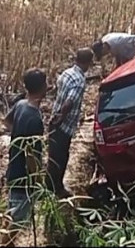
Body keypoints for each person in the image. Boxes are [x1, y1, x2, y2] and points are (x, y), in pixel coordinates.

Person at [46, 48, 94, 198]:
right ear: (89, 62)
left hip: (54, 120)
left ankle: (48, 185)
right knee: (61, 157)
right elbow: (70, 101)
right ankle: (57, 188)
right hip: (64, 125)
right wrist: (62, 116)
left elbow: (59, 92)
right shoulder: (79, 81)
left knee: (53, 156)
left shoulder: (67, 73)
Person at [5, 68, 47, 224]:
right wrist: (38, 182)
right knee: (16, 224)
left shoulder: (21, 105)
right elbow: (31, 156)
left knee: (12, 217)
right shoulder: (35, 119)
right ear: (43, 87)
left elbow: (7, 121)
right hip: (24, 180)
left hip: (13, 170)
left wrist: (17, 135)